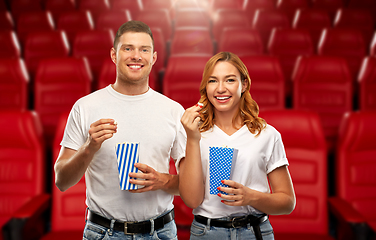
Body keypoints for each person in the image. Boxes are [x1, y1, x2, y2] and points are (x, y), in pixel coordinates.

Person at [54, 20, 186, 240]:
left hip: (160, 232)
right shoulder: (85, 107)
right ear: (114, 55)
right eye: (128, 48)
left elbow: (192, 188)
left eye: (144, 50)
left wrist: (161, 181)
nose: (136, 56)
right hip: (103, 232)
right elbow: (62, 181)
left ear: (153, 58)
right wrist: (89, 147)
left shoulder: (173, 110)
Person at [179, 52, 295, 240]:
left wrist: (251, 197)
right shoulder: (192, 131)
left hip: (254, 231)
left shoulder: (266, 134)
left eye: (230, 80)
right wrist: (193, 139)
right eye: (213, 81)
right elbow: (192, 200)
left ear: (244, 84)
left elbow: (288, 202)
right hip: (206, 232)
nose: (221, 88)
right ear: (205, 87)